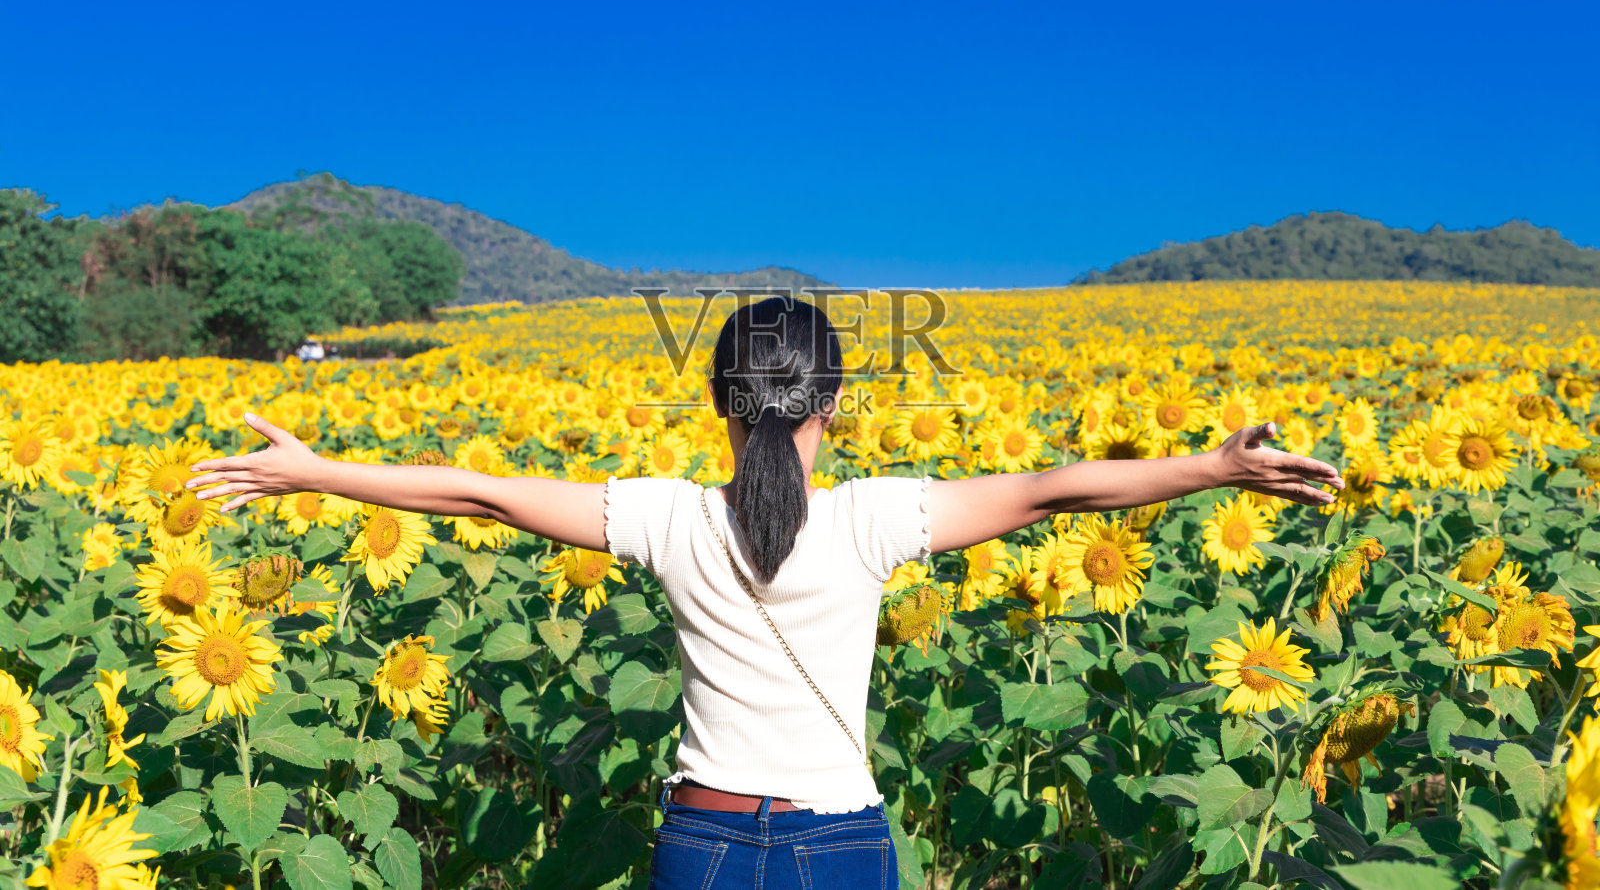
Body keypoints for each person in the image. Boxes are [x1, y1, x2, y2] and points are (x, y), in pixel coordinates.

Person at [184, 296, 1342, 890]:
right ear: (829, 404)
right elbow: (1052, 492)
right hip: (843, 842)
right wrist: (1217, 464)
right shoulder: (872, 518)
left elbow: (481, 494)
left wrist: (314, 468)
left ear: (719, 408)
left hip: (706, 837)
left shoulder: (668, 516)